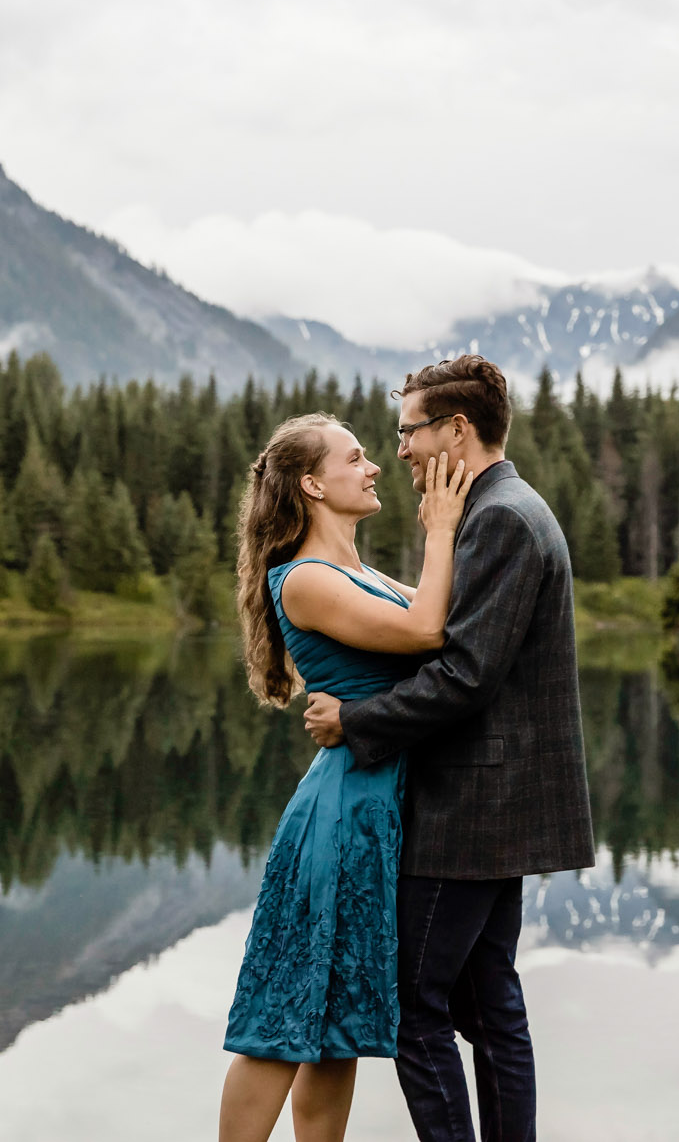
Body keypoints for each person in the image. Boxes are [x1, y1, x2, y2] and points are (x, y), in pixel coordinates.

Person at [304, 354, 595, 1142]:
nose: (397, 449)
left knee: (413, 1006)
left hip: (472, 809)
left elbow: (464, 674)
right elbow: (453, 637)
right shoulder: (505, 507)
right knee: (487, 1000)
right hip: (496, 804)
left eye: (410, 430)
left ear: (456, 430)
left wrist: (354, 722)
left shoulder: (499, 518)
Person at [220, 411, 476, 1142]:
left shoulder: (361, 573)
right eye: (356, 457)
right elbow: (427, 632)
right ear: (312, 484)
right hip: (341, 813)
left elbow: (448, 630)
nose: (373, 467)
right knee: (281, 1015)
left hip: (382, 807)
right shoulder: (303, 579)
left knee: (336, 1026)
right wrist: (440, 527)